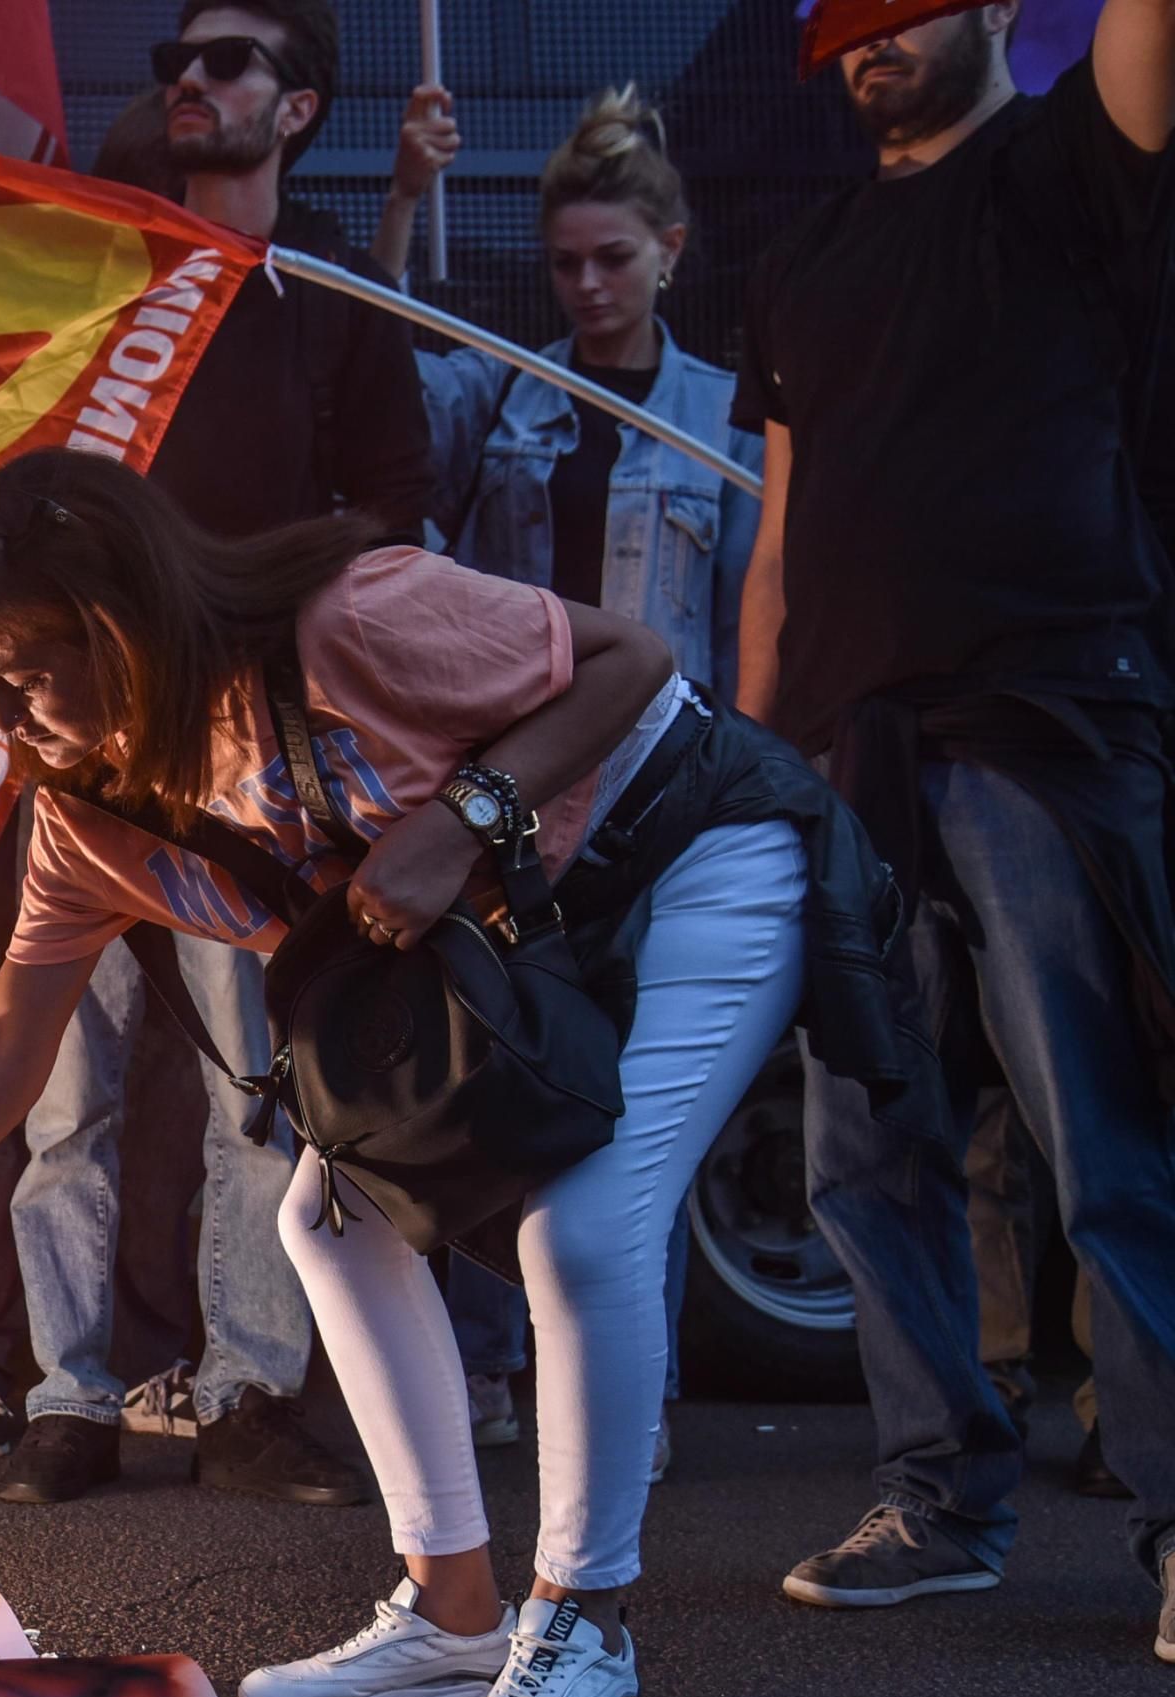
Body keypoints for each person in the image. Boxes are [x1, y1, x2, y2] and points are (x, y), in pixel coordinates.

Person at [0, 447, 924, 1697]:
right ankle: (454, 1621)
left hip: (691, 848)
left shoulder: (347, 620)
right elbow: (4, 1050)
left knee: (585, 1229)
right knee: (330, 1219)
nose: (2, 719)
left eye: (24, 675)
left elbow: (633, 662)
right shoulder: (86, 815)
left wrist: (460, 818)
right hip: (529, 955)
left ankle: (586, 1637)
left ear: (118, 625)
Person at [0, 0, 435, 1509]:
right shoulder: (97, 283)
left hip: (237, 767)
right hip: (83, 764)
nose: (188, 82)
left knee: (252, 1095)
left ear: (298, 109)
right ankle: (69, 1399)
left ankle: (244, 1399)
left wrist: (276, 649)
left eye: (226, 63)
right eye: (174, 63)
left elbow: (393, 518)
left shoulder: (333, 299)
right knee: (60, 1098)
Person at [737, 2, 1175, 1659]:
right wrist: (754, 775)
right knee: (863, 1155)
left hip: (1043, 731)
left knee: (1103, 1147)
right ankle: (934, 1499)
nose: (868, 35)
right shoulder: (803, 259)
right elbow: (779, 545)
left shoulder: (1067, 167)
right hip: (847, 767)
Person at [376, 86, 768, 1473]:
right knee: (503, 1078)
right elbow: (386, 389)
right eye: (566, 264)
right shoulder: (506, 389)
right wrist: (407, 199)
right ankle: (490, 1368)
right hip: (520, 793)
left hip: (663, 796)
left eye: (615, 258)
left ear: (672, 250)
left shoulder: (728, 420)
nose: (589, 285)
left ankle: (621, 1394)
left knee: (635, 1109)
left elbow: (750, 613)